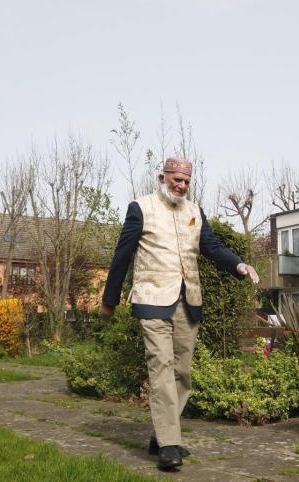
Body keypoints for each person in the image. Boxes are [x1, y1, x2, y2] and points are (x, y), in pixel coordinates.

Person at [100, 157, 259, 470]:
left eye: (187, 181)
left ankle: (160, 436)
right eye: (176, 179)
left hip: (188, 301)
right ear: (163, 176)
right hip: (152, 299)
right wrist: (110, 299)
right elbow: (122, 254)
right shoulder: (140, 208)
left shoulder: (195, 212)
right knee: (161, 367)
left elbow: (210, 246)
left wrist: (239, 265)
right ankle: (170, 445)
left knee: (182, 374)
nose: (182, 186)